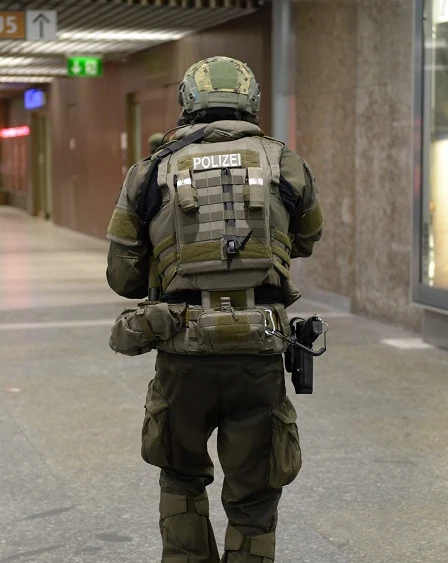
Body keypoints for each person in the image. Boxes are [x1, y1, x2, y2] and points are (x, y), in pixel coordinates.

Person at [105, 56, 323, 563]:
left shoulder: (150, 171)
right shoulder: (285, 162)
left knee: (181, 480)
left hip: (182, 356)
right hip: (259, 355)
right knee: (255, 492)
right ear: (251, 101)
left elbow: (124, 277)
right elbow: (308, 238)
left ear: (187, 103)